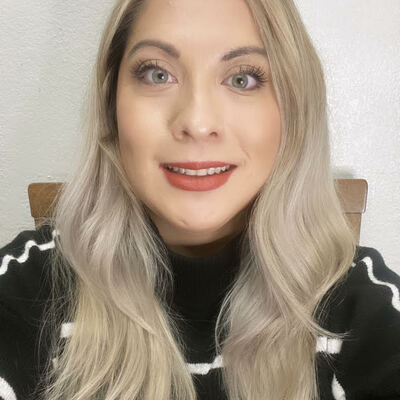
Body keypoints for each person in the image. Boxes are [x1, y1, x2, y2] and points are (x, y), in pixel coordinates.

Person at [1, 0, 399, 399]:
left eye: (242, 79)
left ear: (294, 110)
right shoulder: (24, 289)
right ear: (111, 104)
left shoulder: (363, 303)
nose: (197, 122)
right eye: (158, 74)